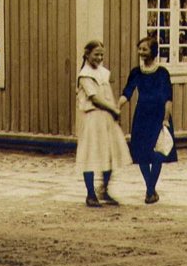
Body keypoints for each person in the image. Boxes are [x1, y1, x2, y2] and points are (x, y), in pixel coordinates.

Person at [117, 35, 176, 204]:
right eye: (139, 49)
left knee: (158, 153)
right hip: (142, 115)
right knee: (142, 154)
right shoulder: (136, 72)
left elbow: (168, 98)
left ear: (154, 52)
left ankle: (150, 189)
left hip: (159, 116)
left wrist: (166, 119)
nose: (140, 52)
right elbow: (127, 93)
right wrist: (117, 106)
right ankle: (150, 190)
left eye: (144, 49)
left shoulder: (162, 73)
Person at [75, 39, 131, 207]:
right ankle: (90, 193)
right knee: (91, 154)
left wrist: (113, 111)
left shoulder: (103, 73)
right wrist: (113, 109)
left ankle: (104, 189)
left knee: (109, 153)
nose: (99, 58)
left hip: (106, 117)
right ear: (87, 54)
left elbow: (107, 94)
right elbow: (95, 98)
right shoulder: (85, 75)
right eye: (96, 54)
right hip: (94, 117)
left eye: (101, 55)